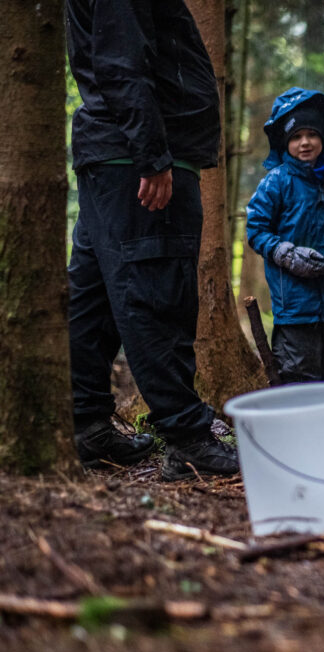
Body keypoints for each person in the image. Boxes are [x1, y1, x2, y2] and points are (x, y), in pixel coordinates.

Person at [65, 0, 239, 481]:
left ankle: (87, 426)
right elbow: (122, 61)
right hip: (138, 159)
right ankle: (187, 438)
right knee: (157, 293)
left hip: (114, 156)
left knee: (94, 298)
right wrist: (152, 155)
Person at [246, 88, 324, 384]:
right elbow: (256, 229)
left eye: (311, 134)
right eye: (296, 136)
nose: (305, 142)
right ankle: (298, 432)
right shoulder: (276, 181)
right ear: (286, 142)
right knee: (299, 379)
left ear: (323, 136)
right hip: (294, 307)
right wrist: (286, 254)